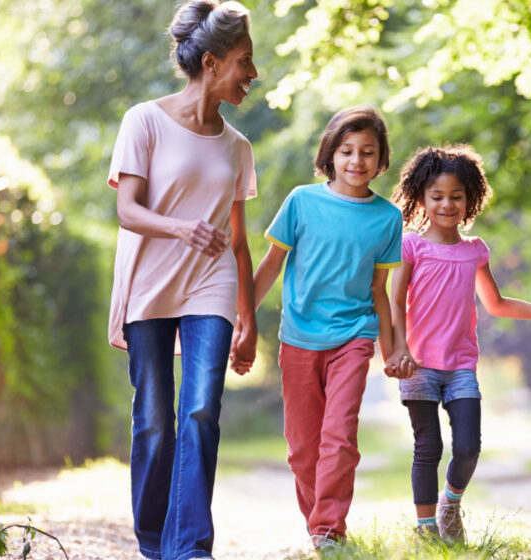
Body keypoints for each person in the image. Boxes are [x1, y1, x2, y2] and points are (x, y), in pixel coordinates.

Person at [105, 2, 259, 559]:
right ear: (212, 62)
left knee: (200, 410)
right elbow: (126, 210)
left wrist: (250, 318)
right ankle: (153, 543)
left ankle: (188, 546)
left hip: (210, 285)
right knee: (153, 420)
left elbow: (238, 242)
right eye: (245, 61)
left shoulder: (238, 146)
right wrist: (180, 228)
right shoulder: (143, 120)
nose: (252, 73)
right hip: (150, 281)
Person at [387, 145, 531, 542]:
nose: (447, 204)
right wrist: (397, 349)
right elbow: (394, 301)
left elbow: (497, 303)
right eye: (437, 197)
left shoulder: (475, 251)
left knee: (468, 446)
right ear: (421, 199)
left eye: (456, 196)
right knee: (427, 447)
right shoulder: (411, 247)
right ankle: (426, 530)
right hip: (417, 364)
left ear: (470, 199)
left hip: (460, 367)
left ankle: (450, 503)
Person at [251, 106, 403, 550]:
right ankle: (318, 522)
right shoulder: (301, 201)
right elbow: (270, 267)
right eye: (347, 151)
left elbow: (380, 291)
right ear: (330, 155)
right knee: (302, 449)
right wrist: (240, 323)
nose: (357, 161)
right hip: (298, 338)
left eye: (368, 152)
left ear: (381, 160)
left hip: (355, 337)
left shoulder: (387, 217)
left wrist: (391, 349)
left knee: (339, 435)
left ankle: (328, 530)